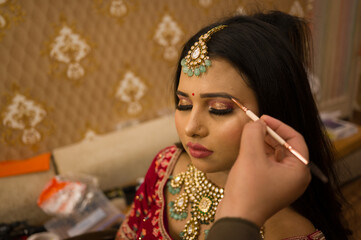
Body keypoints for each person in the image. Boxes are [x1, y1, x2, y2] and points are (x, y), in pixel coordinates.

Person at [116, 11, 351, 240]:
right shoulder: (164, 166)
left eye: (219, 108)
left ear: (272, 114)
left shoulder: (294, 231)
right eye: (184, 104)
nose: (191, 128)